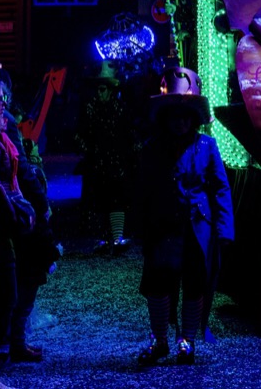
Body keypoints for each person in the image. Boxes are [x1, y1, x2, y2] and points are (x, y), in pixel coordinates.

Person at [134, 64, 234, 368]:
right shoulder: (152, 148)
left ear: (193, 118)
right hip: (162, 228)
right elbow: (142, 189)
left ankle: (187, 341)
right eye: (174, 116)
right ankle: (160, 340)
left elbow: (220, 188)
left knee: (195, 285)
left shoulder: (207, 146)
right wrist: (140, 227)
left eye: (185, 116)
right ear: (165, 118)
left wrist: (224, 229)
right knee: (158, 284)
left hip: (197, 229)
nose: (180, 122)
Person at [0, 70, 59, 366]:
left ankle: (15, 342)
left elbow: (21, 169)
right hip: (8, 213)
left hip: (14, 211)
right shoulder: (7, 126)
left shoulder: (6, 125)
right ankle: (8, 344)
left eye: (2, 97)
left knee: (21, 276)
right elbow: (20, 171)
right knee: (11, 281)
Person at [74, 60, 137, 255]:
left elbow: (129, 133)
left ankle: (116, 238)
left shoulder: (120, 109)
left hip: (116, 162)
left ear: (110, 90)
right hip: (96, 161)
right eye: (98, 89)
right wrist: (86, 148)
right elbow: (80, 133)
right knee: (98, 200)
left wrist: (130, 153)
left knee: (116, 199)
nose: (99, 93)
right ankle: (102, 240)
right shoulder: (90, 108)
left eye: (102, 89)